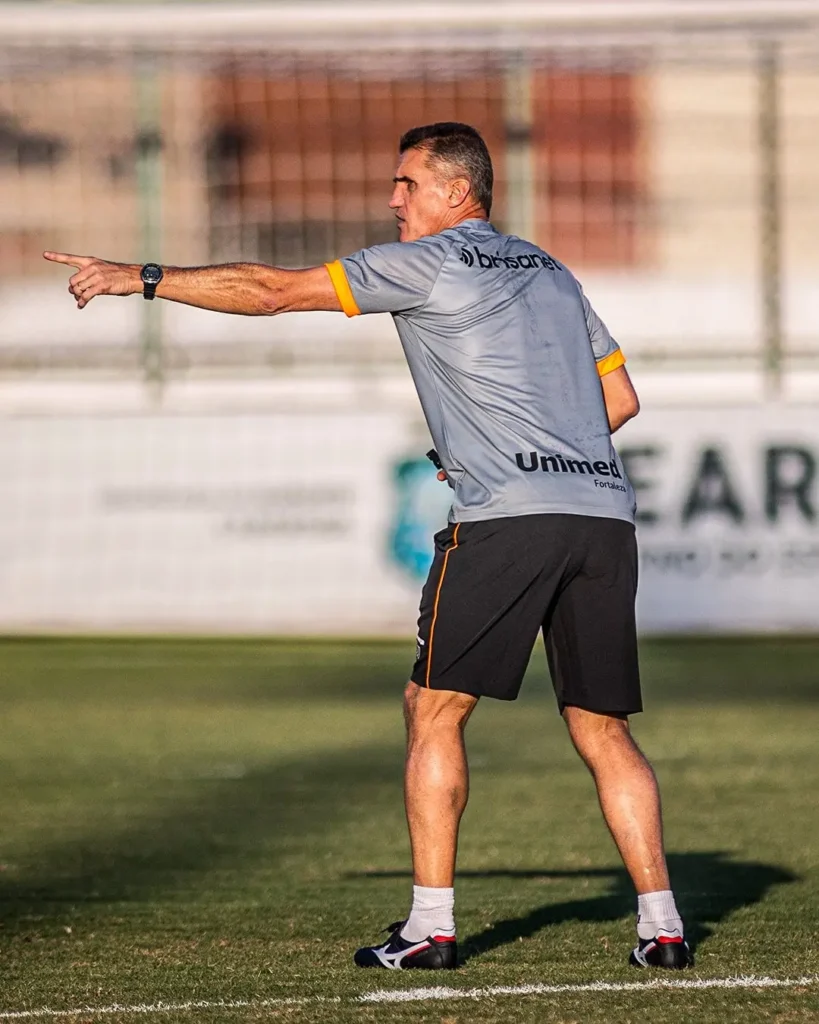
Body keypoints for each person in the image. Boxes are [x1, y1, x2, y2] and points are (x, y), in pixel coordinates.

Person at [44, 121, 690, 973]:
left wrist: (145, 277)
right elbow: (619, 400)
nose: (393, 199)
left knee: (433, 709)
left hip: (506, 520)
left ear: (457, 193)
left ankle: (430, 926)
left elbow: (274, 292)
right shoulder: (552, 272)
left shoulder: (427, 262)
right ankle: (664, 927)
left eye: (407, 183)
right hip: (602, 517)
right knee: (602, 729)